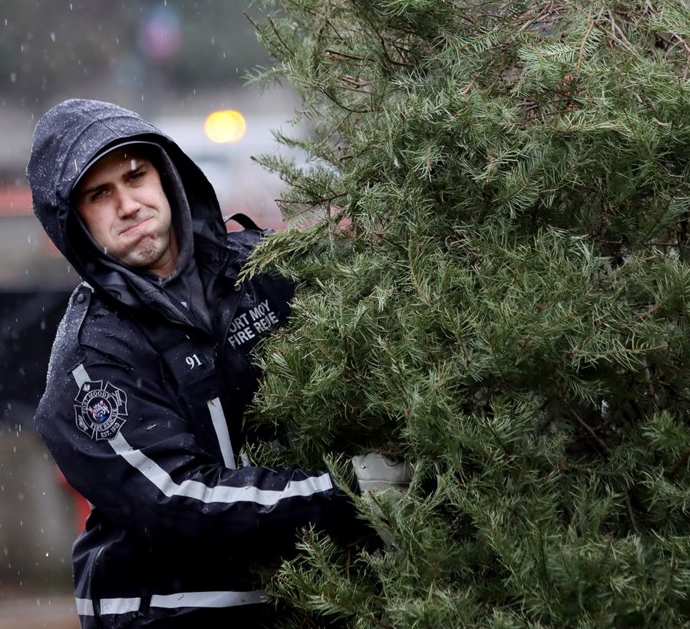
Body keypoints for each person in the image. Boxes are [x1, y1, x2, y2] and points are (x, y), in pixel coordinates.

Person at [25, 98, 411, 629]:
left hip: (311, 602)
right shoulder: (93, 359)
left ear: (166, 177)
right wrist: (347, 490)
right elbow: (175, 501)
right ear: (76, 222)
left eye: (137, 176)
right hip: (173, 614)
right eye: (100, 194)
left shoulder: (266, 270)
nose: (129, 204)